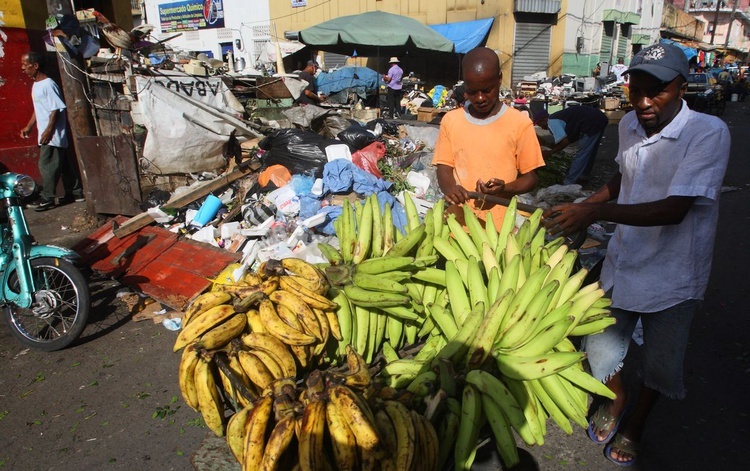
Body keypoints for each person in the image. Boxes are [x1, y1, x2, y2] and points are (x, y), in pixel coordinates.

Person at [544, 43, 730, 466]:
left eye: (657, 91)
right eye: (636, 89)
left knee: (662, 366)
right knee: (600, 349)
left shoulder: (707, 134)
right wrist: (587, 201)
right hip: (625, 258)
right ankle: (617, 398)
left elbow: (675, 208)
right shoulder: (629, 123)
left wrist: (593, 211)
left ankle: (636, 422)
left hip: (674, 271)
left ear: (681, 87)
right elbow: (625, 173)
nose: (643, 102)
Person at [432, 47, 544, 226]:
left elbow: (531, 178)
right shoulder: (451, 120)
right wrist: (451, 189)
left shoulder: (520, 124)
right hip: (458, 222)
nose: (480, 98)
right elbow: (443, 167)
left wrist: (504, 189)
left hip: (500, 224)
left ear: (499, 79)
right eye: (472, 91)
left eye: (487, 89)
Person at [20, 51, 84, 211]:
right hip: (47, 132)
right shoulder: (36, 85)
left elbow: (56, 109)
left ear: (35, 66)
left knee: (46, 164)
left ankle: (47, 197)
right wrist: (29, 126)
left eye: (25, 65)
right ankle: (76, 192)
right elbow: (39, 108)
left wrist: (48, 131)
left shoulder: (48, 84)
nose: (23, 69)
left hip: (52, 134)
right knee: (62, 164)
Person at [533, 105, 609, 185]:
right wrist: (554, 146)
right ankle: (584, 175)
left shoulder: (552, 122)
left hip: (592, 122)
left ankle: (569, 180)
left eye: (539, 124)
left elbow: (564, 141)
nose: (540, 127)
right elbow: (568, 138)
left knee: (582, 153)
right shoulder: (556, 118)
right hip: (598, 118)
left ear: (543, 119)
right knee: (590, 151)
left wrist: (550, 152)